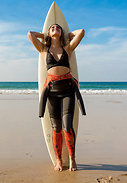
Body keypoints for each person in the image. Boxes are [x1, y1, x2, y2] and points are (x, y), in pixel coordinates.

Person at [28, 24, 85, 171]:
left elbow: (81, 32)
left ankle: (72, 159)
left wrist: (68, 35)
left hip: (67, 90)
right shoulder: (43, 49)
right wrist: (43, 35)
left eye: (58, 27)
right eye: (52, 27)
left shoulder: (67, 49)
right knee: (56, 127)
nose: (55, 28)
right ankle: (59, 160)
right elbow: (30, 35)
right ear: (49, 32)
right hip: (52, 92)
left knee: (67, 126)